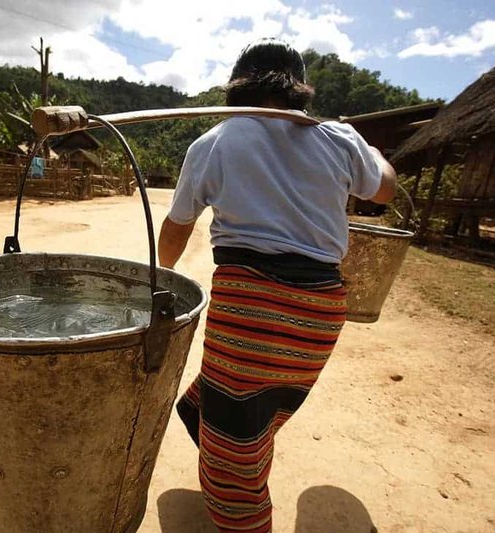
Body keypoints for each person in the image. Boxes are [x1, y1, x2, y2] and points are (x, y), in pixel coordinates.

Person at [157, 38, 397, 533]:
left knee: (233, 448)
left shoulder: (215, 142)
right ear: (300, 93)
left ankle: (240, 505)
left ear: (237, 90)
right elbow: (386, 189)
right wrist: (372, 151)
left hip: (249, 307)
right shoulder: (338, 138)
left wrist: (161, 272)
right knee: (236, 410)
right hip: (319, 310)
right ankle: (237, 465)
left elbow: (176, 228)